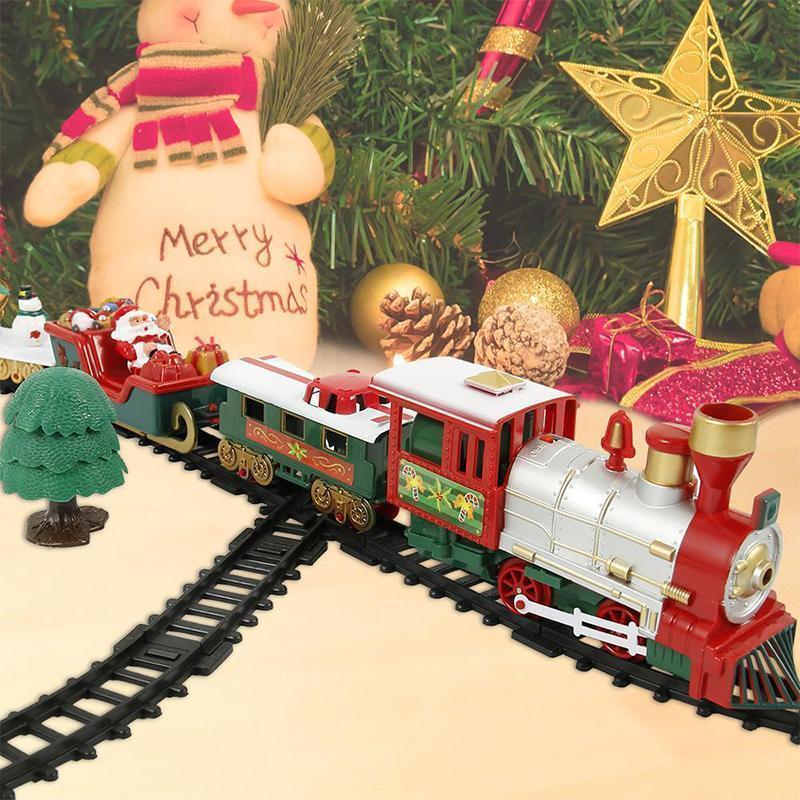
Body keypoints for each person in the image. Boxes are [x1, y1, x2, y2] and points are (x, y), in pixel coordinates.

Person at [111, 306, 175, 372]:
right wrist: (142, 348)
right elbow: (130, 353)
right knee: (150, 362)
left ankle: (174, 361)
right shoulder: (125, 338)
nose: (143, 323)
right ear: (126, 326)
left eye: (144, 319)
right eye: (137, 321)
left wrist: (162, 329)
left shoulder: (152, 331)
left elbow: (161, 340)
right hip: (142, 363)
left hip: (161, 356)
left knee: (169, 352)